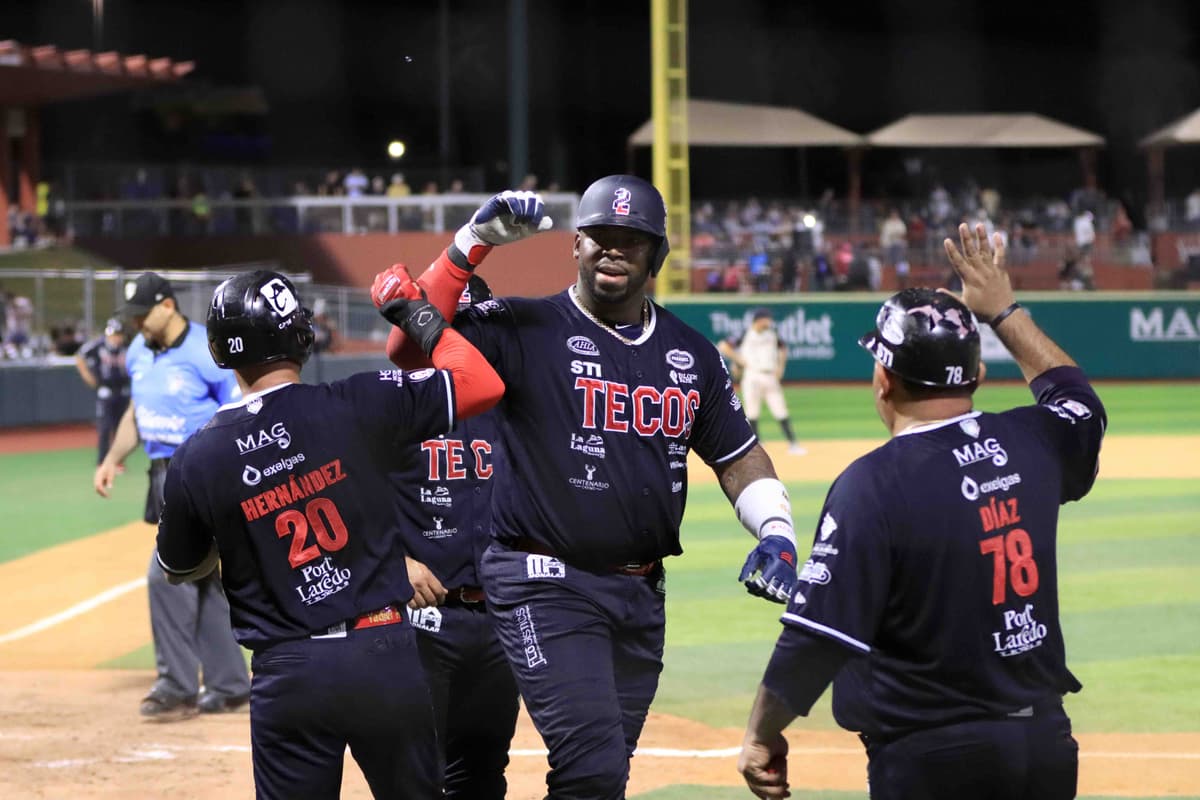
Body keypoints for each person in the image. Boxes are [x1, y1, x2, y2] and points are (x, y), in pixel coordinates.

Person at [379, 175, 800, 799]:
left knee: (601, 777)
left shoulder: (693, 355)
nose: (613, 250)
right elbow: (408, 352)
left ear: (655, 255)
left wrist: (777, 530)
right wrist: (470, 243)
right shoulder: (523, 326)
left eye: (631, 241)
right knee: (592, 768)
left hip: (640, 595)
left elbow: (737, 455)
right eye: (600, 237)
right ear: (574, 245)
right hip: (542, 580)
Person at [738, 223, 1106, 800]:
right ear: (978, 377)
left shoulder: (872, 485)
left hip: (930, 760)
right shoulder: (1032, 441)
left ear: (883, 379)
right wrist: (1003, 308)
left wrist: (762, 734)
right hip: (1046, 748)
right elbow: (1078, 402)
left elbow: (817, 638)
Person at [156, 268, 504, 798]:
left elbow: (181, 567)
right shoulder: (358, 403)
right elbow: (481, 382)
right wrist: (416, 313)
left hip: (287, 670)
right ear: (301, 334)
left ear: (220, 348)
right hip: (383, 650)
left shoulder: (196, 457)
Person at [92, 272, 251, 721]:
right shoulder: (140, 351)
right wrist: (111, 458)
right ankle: (231, 685)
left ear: (168, 306)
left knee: (166, 573)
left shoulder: (207, 350)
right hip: (161, 474)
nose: (137, 322)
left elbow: (239, 409)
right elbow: (136, 413)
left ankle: (177, 686)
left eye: (143, 313)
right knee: (205, 583)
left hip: (201, 476)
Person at [391, 274, 520, 799]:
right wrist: (394, 561)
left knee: (485, 771)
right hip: (422, 620)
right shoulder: (393, 403)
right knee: (417, 773)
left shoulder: (518, 407)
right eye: (450, 329)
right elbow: (348, 502)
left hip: (502, 619)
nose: (460, 342)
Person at [718, 308, 805, 455]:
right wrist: (739, 360)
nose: (770, 322)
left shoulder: (772, 334)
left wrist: (781, 367)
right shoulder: (745, 334)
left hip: (770, 375)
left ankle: (793, 444)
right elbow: (723, 346)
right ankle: (757, 444)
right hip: (752, 375)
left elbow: (783, 349)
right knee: (752, 411)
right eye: (767, 319)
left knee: (780, 408)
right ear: (759, 320)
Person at [74, 317, 131, 465]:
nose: (117, 338)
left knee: (121, 428)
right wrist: (88, 377)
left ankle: (119, 462)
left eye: (119, 334)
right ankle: (102, 461)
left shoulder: (127, 347)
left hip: (123, 391)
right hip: (106, 391)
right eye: (114, 334)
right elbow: (80, 357)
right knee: (105, 427)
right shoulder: (98, 346)